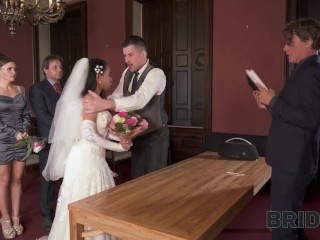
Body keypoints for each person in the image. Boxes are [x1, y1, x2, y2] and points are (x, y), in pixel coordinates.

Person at [37, 57, 131, 240]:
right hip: (85, 160)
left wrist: (119, 136)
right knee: (86, 202)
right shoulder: (88, 99)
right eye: (109, 74)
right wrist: (118, 147)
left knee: (99, 203)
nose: (111, 79)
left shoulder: (97, 98)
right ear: (98, 76)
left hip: (96, 159)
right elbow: (89, 134)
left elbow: (100, 130)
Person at [252, 18, 320, 240]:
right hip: (292, 159)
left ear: (308, 41)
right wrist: (269, 104)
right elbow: (295, 113)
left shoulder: (312, 71)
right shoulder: (304, 69)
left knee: (282, 227)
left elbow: (311, 118)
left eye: (290, 42)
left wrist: (274, 102)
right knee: (289, 218)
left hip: (293, 161)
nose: (284, 48)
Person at [83, 35, 169, 179]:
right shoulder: (126, 73)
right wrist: (98, 102)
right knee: (137, 178)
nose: (126, 60)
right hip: (135, 135)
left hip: (155, 136)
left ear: (143, 54)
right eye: (124, 56)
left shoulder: (156, 74)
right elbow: (117, 95)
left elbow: (140, 99)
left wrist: (105, 104)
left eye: (130, 55)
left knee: (155, 180)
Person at [29, 55, 63, 230]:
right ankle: (47, 214)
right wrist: (65, 126)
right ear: (45, 70)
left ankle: (64, 209)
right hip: (48, 139)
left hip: (66, 139)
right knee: (47, 179)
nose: (59, 70)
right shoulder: (37, 89)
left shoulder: (64, 88)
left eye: (60, 67)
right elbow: (42, 117)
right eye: (55, 67)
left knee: (66, 176)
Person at [0, 54, 31, 239]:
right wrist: (14, 133)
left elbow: (26, 113)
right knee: (3, 181)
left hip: (22, 140)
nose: (14, 72)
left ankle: (15, 216)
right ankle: (5, 219)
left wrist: (25, 130)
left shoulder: (20, 89)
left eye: (15, 69)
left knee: (18, 180)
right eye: (9, 69)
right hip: (2, 140)